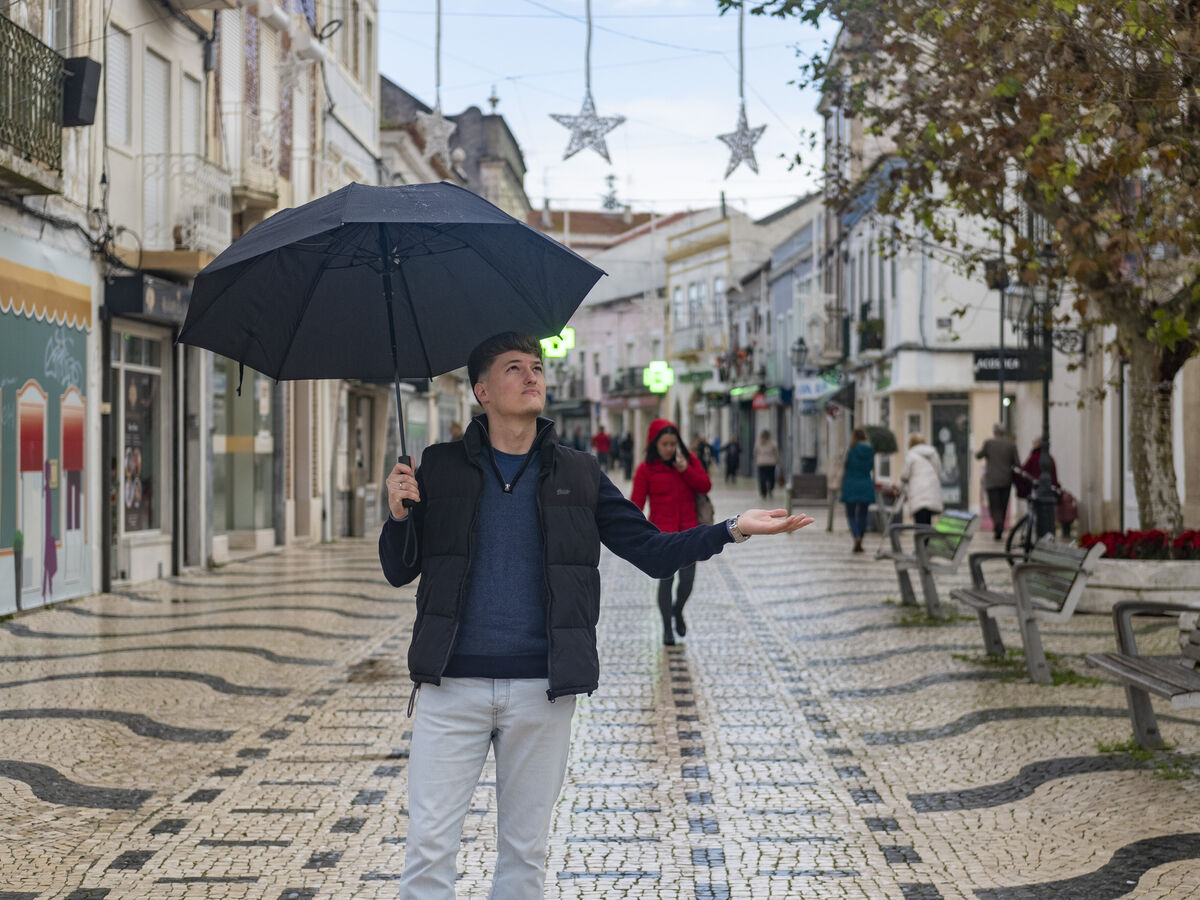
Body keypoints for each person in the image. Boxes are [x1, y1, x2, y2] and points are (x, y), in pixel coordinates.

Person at [379, 332, 814, 899]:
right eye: (515, 369)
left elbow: (653, 552)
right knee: (429, 849)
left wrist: (731, 529)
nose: (533, 376)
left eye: (537, 366)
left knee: (524, 856)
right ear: (482, 390)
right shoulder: (436, 468)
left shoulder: (578, 475)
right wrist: (398, 515)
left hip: (543, 688)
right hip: (449, 686)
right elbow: (398, 569)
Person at [631, 420, 713, 646]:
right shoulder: (645, 470)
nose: (669, 448)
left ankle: (678, 610)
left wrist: (685, 470)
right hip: (662, 536)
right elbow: (636, 504)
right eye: (665, 444)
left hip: (689, 532)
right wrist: (637, 534)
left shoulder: (687, 462)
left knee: (687, 581)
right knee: (665, 582)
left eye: (673, 444)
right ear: (654, 444)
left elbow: (705, 486)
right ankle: (667, 628)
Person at [975, 423, 1021, 540]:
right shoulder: (1011, 445)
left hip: (992, 480)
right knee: (1003, 505)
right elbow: (1017, 463)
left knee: (994, 505)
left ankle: (997, 524)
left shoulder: (989, 443)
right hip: (1006, 480)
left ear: (994, 432)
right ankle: (999, 524)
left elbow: (979, 455)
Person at [841, 426, 876, 553]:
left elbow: (846, 465)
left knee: (850, 514)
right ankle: (860, 537)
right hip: (865, 483)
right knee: (863, 514)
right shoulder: (870, 450)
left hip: (851, 484)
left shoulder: (851, 450)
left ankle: (856, 536)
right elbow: (871, 467)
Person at [900, 432, 943, 526]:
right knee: (927, 520)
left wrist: (902, 484)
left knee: (919, 521)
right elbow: (939, 470)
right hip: (931, 489)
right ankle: (926, 540)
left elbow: (905, 474)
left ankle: (920, 540)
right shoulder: (933, 453)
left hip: (918, 490)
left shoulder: (911, 455)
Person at [753, 429, 780, 499]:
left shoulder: (758, 442)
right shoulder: (773, 442)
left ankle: (763, 492)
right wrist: (777, 460)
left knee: (762, 479)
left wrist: (756, 460)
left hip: (761, 463)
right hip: (771, 463)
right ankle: (770, 489)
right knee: (771, 478)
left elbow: (755, 453)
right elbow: (776, 453)